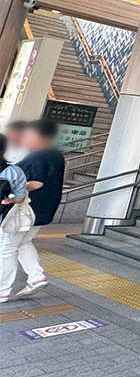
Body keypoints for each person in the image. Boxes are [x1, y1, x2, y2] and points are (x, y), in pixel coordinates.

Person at [0, 120, 64, 302]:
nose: (25, 138)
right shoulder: (55, 155)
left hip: (26, 211)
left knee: (7, 247)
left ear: (42, 137)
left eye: (28, 135)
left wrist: (12, 190)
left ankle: (2, 290)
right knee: (24, 243)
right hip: (42, 211)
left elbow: (35, 183)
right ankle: (36, 277)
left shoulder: (39, 156)